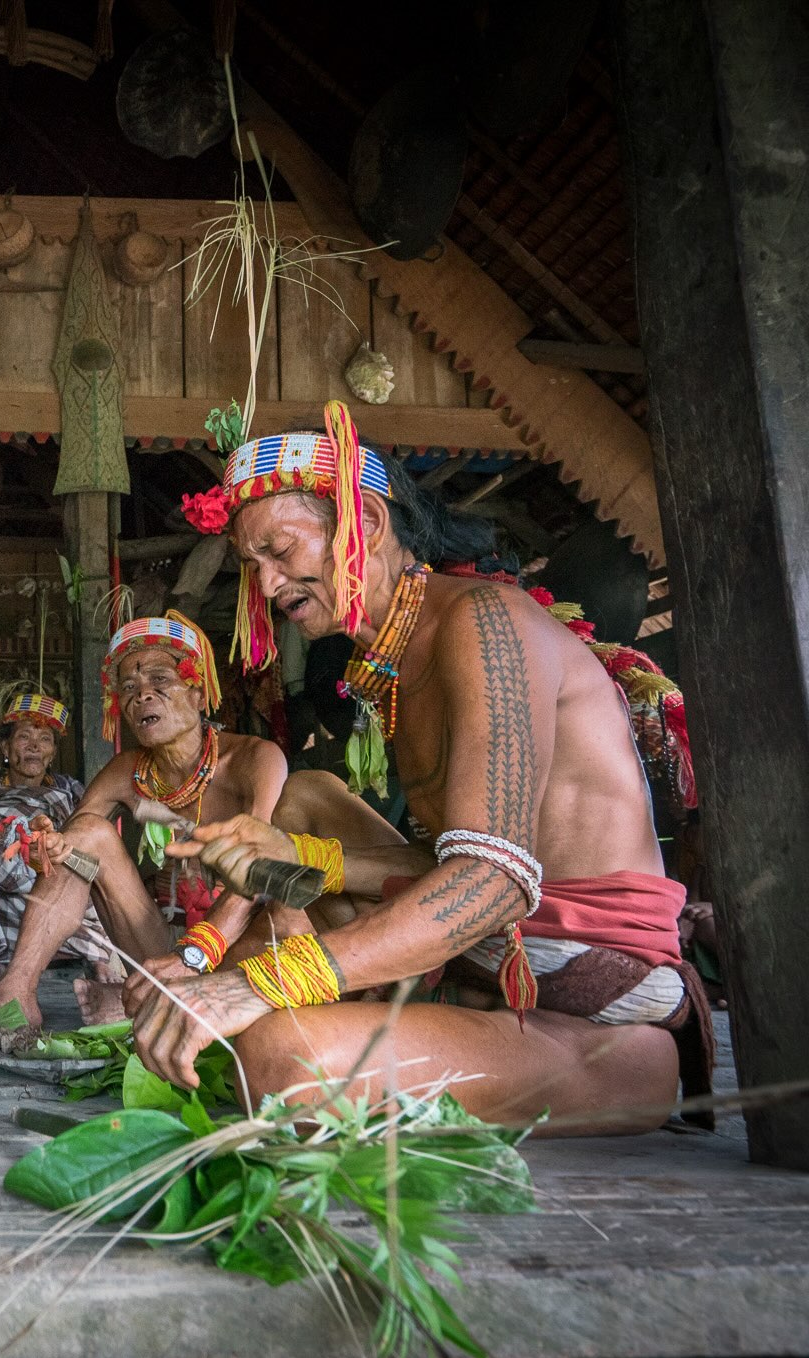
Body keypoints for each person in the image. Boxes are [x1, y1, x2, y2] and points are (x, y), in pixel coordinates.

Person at [130, 402, 707, 1133]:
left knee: (283, 1057)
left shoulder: (484, 623)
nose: (270, 586)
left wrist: (262, 985)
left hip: (586, 1012)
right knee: (304, 798)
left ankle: (613, 1073)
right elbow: (450, 854)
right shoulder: (397, 662)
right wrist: (297, 859)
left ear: (364, 521)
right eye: (254, 567)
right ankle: (398, 1022)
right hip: (488, 971)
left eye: (281, 551)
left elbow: (493, 882)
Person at [0, 613, 295, 1036]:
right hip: (166, 952)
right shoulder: (127, 772)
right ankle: (16, 990)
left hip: (245, 959)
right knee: (86, 836)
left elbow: (259, 876)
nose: (142, 696)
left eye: (160, 681)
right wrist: (47, 846)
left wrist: (191, 958)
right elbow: (74, 843)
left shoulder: (256, 759)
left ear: (197, 694)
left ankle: (136, 1000)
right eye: (129, 689)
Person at [0, 691, 115, 989]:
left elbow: (87, 840)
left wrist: (49, 855)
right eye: (24, 737)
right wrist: (25, 854)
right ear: (5, 746)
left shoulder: (71, 794)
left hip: (57, 882)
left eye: (45, 739)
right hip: (0, 885)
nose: (34, 746)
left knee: (89, 865)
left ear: (53, 752)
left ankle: (94, 955)